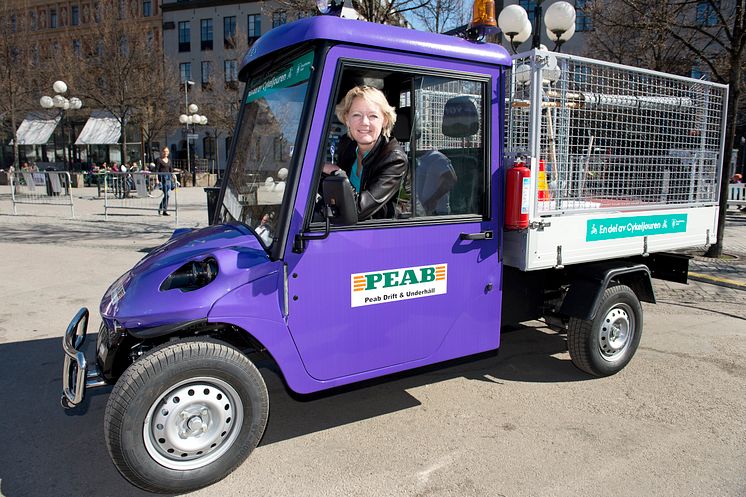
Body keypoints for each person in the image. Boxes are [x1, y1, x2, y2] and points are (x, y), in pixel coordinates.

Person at [322, 85, 407, 220]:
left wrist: (336, 172)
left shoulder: (394, 158)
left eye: (373, 116)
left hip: (378, 234)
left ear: (384, 120)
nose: (364, 122)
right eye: (357, 115)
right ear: (347, 119)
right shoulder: (347, 145)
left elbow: (358, 210)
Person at [154, 147, 173, 215]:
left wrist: (173, 178)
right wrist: (157, 179)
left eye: (167, 151)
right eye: (164, 151)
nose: (165, 153)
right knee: (166, 194)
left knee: (168, 194)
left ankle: (164, 210)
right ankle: (161, 207)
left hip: (168, 179)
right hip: (162, 179)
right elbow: (156, 170)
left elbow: (171, 170)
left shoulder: (169, 160)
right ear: (162, 152)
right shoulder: (159, 160)